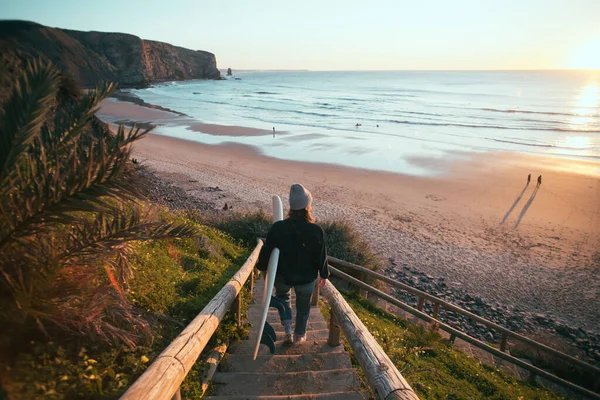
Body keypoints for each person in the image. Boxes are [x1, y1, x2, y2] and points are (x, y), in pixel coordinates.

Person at [257, 184, 329, 344]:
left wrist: (261, 268)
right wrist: (324, 274)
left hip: (283, 276)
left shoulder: (278, 227)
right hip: (307, 278)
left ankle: (288, 327)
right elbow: (321, 255)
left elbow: (267, 250)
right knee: (303, 308)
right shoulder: (316, 230)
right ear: (307, 206)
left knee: (283, 297)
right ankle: (299, 336)